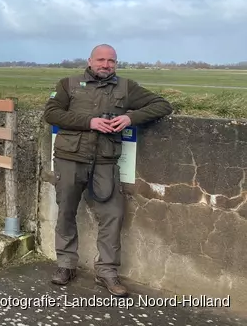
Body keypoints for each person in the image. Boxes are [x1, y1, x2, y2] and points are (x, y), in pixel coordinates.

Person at [43, 44, 172, 297]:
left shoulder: (126, 88)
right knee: (67, 211)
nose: (106, 65)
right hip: (70, 158)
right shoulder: (68, 84)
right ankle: (66, 265)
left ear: (116, 63)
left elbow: (162, 105)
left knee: (113, 214)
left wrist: (129, 118)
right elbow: (52, 113)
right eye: (101, 60)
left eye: (111, 61)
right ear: (90, 61)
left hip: (105, 160)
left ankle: (107, 271)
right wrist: (89, 122)